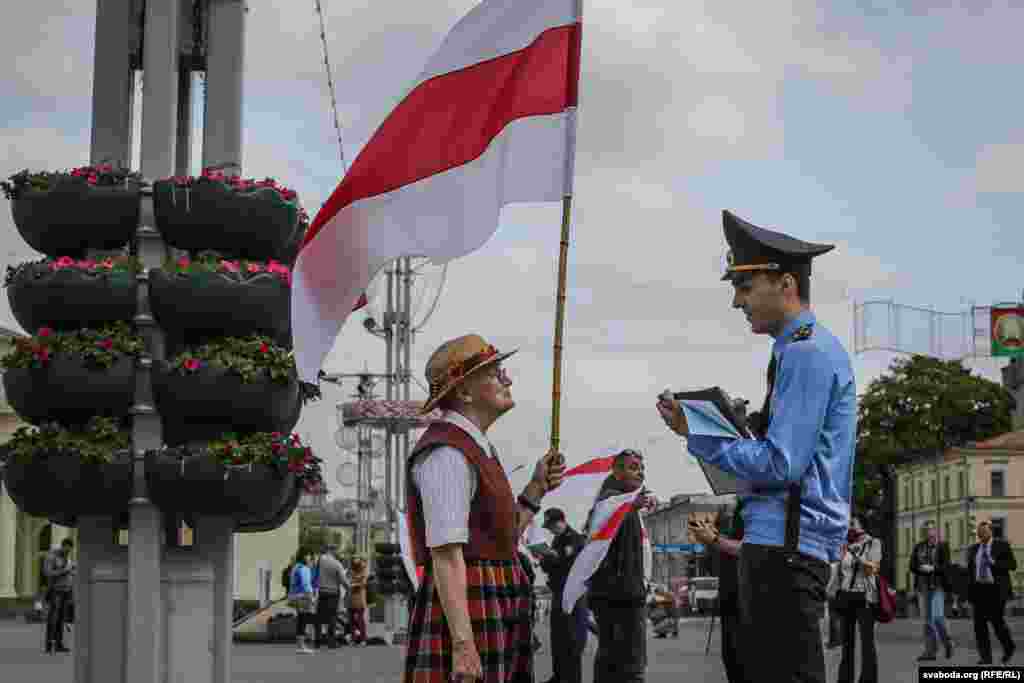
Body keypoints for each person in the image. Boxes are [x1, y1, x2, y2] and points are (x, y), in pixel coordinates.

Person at [657, 210, 857, 683]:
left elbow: (781, 464)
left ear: (785, 283)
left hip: (784, 552)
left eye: (744, 287)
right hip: (779, 546)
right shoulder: (796, 348)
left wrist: (700, 434)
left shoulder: (805, 352)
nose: (736, 302)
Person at [403, 334, 565, 683]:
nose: (507, 379)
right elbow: (446, 555)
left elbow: (500, 538)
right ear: (463, 391)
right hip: (472, 600)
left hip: (494, 594)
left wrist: (535, 489)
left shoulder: (475, 445)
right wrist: (463, 644)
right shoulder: (445, 453)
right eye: (494, 373)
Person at [585, 449, 656, 683]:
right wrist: (632, 504)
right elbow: (608, 517)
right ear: (616, 471)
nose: (641, 472)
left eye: (642, 468)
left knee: (611, 662)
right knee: (630, 666)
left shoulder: (621, 501)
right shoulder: (610, 501)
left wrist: (636, 502)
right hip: (621, 596)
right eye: (633, 467)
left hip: (619, 594)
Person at [691, 504, 747, 682]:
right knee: (732, 657)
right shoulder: (736, 506)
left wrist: (715, 540)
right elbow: (712, 560)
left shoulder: (759, 505)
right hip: (730, 592)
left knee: (744, 661)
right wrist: (711, 539)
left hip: (748, 594)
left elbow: (754, 550)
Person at [537, 507, 588, 683]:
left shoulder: (575, 539)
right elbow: (549, 565)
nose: (550, 529)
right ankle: (559, 677)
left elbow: (565, 561)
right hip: (559, 593)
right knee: (558, 639)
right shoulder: (557, 540)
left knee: (571, 642)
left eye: (551, 525)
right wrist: (544, 558)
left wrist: (551, 558)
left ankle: (570, 679)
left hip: (573, 595)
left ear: (561, 521)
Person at [831, 515, 881, 683]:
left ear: (862, 526)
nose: (849, 527)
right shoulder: (846, 545)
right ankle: (845, 679)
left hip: (864, 596)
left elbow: (872, 569)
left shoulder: (874, 543)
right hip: (846, 596)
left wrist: (856, 556)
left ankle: (868, 679)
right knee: (847, 643)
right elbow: (839, 570)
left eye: (852, 523)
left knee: (867, 643)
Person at [967, 519, 1018, 665]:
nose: (981, 534)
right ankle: (985, 657)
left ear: (990, 531)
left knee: (997, 623)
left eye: (984, 531)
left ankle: (1009, 647)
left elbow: (1013, 565)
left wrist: (994, 563)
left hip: (996, 590)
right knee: (979, 626)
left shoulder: (1001, 545)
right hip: (979, 590)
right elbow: (971, 572)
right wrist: (968, 593)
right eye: (979, 532)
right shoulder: (974, 549)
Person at [910, 523, 953, 661]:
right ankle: (930, 651)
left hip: (937, 587)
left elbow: (946, 566)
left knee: (938, 618)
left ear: (937, 531)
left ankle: (947, 642)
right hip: (923, 587)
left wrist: (933, 568)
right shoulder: (919, 546)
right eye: (927, 529)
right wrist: (920, 568)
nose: (930, 532)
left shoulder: (943, 546)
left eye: (932, 529)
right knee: (928, 621)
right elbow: (912, 565)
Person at [43, 538, 75, 654]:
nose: (68, 552)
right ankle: (49, 645)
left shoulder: (68, 558)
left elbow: (69, 572)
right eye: (67, 549)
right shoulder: (51, 557)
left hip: (66, 591)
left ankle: (59, 644)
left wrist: (71, 572)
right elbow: (47, 573)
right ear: (63, 546)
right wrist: (65, 571)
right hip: (55, 591)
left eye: (70, 550)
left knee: (61, 619)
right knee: (53, 619)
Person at [313, 544, 348, 649]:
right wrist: (349, 588)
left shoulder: (320, 560)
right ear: (333, 551)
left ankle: (317, 641)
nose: (338, 553)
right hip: (333, 593)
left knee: (319, 617)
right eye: (337, 551)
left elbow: (315, 573)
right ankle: (331, 642)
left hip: (322, 591)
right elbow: (343, 580)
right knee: (332, 617)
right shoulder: (337, 564)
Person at [288, 548, 317, 655]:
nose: (310, 557)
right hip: (302, 596)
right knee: (303, 620)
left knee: (301, 620)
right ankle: (301, 646)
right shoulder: (304, 568)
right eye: (309, 555)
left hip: (294, 595)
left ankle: (300, 645)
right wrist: (312, 598)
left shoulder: (296, 566)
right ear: (304, 556)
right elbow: (306, 585)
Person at [348, 556, 369, 646]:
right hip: (351, 598)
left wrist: (354, 584)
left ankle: (363, 639)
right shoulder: (350, 572)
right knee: (352, 620)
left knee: (360, 619)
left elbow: (363, 583)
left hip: (359, 598)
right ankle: (354, 639)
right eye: (354, 559)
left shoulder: (363, 571)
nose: (356, 561)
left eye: (357, 559)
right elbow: (348, 582)